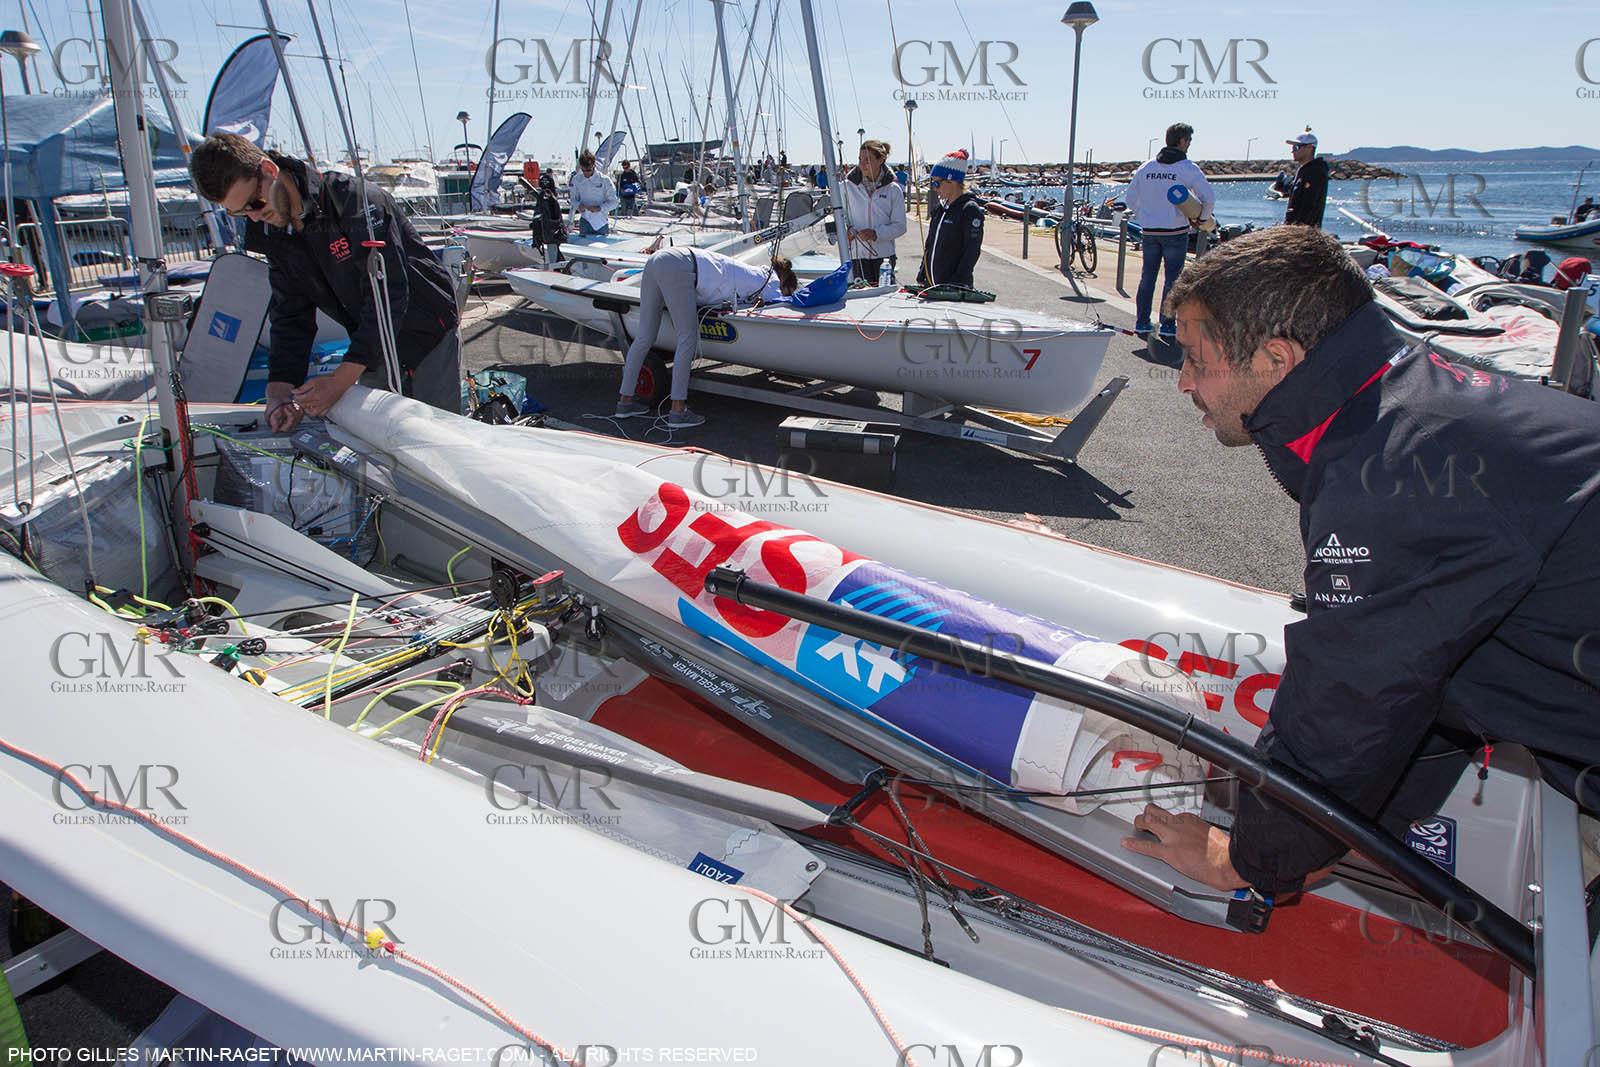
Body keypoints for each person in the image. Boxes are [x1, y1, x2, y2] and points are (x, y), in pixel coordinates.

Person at [1123, 225, 1600, 898]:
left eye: (1197, 359)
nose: (1183, 383)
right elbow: (1426, 663)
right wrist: (1343, 827)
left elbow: (1353, 692)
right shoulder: (1416, 401)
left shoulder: (1391, 475)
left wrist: (1252, 859)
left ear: (1276, 360)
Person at [188, 133, 461, 426]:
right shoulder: (275, 235)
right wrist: (279, 391)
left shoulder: (354, 201)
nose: (253, 217)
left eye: (254, 203)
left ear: (269, 170)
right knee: (384, 439)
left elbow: (387, 296)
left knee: (441, 438)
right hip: (373, 344)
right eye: (239, 212)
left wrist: (340, 380)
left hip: (427, 331)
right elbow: (291, 315)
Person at [614, 248, 800, 428]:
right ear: (785, 282)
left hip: (658, 259)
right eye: (788, 290)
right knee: (687, 337)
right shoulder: (772, 280)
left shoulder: (755, 271)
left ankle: (625, 403)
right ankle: (678, 411)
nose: (786, 293)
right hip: (681, 266)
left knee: (644, 336)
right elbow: (783, 302)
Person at [1124, 123, 1215, 340]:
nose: (1189, 145)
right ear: (1183, 141)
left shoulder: (1146, 167)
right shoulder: (1187, 167)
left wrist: (1145, 215)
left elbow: (1129, 199)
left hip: (1149, 231)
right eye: (1189, 141)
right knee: (1173, 280)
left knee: (1148, 277)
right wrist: (1201, 219)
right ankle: (1167, 324)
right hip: (1175, 232)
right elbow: (1209, 198)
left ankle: (1142, 323)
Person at [841, 139, 908, 287]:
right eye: (860, 159)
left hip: (884, 259)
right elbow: (837, 216)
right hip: (856, 257)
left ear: (881, 160)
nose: (862, 164)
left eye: (867, 160)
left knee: (884, 302)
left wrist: (876, 234)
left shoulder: (893, 189)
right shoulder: (846, 187)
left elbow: (900, 225)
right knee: (858, 300)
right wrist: (845, 231)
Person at [915, 149, 984, 289]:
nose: (934, 188)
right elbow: (930, 245)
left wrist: (957, 281)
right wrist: (922, 274)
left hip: (954, 287)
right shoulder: (940, 209)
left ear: (951, 180)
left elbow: (972, 251)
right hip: (932, 284)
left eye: (936, 183)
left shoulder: (969, 210)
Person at [1279, 129, 1329, 229]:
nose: (1293, 150)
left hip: (1304, 231)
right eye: (1293, 147)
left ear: (1310, 147)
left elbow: (1309, 205)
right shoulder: (1304, 171)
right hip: (1295, 228)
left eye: (1297, 147)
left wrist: (1296, 227)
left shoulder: (1315, 172)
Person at [570, 150, 618, 236]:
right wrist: (578, 206)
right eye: (583, 170)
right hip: (584, 220)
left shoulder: (605, 180)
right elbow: (573, 200)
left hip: (601, 222)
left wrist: (599, 208)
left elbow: (614, 202)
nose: (586, 173)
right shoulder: (576, 180)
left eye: (589, 170)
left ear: (594, 165)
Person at [532, 172, 566, 266]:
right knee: (554, 260)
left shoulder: (543, 200)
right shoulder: (550, 199)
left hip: (549, 235)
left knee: (553, 260)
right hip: (551, 236)